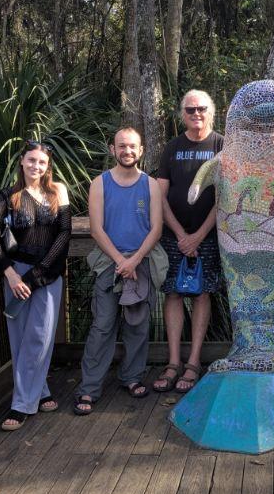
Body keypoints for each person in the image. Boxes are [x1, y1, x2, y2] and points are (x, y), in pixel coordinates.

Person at [74, 127, 162, 414]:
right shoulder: (100, 183)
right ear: (112, 149)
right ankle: (89, 388)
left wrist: (135, 260)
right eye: (122, 146)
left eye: (133, 146)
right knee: (103, 325)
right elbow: (96, 229)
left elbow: (156, 228)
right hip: (108, 263)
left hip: (141, 261)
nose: (127, 151)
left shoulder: (150, 185)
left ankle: (132, 377)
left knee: (137, 323)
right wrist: (120, 262)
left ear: (141, 150)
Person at [0, 140, 71, 431]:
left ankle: (20, 405)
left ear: (48, 166)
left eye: (42, 162)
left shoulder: (58, 191)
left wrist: (39, 274)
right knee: (20, 338)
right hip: (16, 275)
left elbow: (64, 234)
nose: (36, 166)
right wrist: (9, 274)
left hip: (47, 274)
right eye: (31, 160)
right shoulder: (7, 196)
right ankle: (40, 391)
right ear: (22, 161)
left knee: (40, 336)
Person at [153, 90, 224, 393]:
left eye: (202, 108)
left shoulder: (222, 145)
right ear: (182, 113)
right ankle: (172, 363)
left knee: (201, 294)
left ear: (212, 111)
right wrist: (181, 235)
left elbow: (225, 198)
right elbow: (160, 194)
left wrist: (198, 235)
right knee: (173, 294)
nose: (197, 114)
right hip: (173, 235)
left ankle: (193, 362)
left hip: (207, 235)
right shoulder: (172, 148)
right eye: (190, 109)